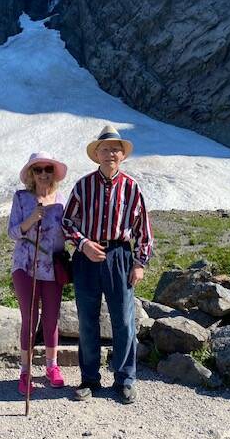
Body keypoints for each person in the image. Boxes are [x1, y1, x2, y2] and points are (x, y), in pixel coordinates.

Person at [62, 125, 153, 404]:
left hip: (119, 256)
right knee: (87, 321)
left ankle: (125, 379)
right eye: (105, 149)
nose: (110, 153)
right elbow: (67, 222)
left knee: (123, 321)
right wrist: (83, 244)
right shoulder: (82, 185)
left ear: (122, 155)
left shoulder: (132, 187)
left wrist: (139, 263)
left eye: (116, 149)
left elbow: (142, 229)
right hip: (87, 257)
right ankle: (90, 379)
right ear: (97, 154)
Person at [8, 151, 69, 395]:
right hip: (25, 266)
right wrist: (31, 219)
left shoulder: (62, 200)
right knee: (30, 318)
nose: (43, 173)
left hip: (52, 267)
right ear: (31, 174)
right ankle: (25, 371)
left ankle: (52, 366)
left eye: (48, 169)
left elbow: (69, 232)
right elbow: (12, 232)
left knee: (52, 318)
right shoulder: (21, 198)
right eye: (38, 169)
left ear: (53, 173)